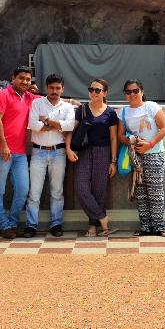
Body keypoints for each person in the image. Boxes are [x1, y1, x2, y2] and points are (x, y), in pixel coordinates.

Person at [0, 66, 40, 240]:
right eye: (21, 78)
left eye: (28, 79)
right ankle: (3, 225)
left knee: (23, 189)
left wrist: (74, 102)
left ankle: (12, 222)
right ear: (13, 78)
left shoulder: (29, 97)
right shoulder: (1, 95)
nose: (25, 82)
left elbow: (50, 100)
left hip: (20, 153)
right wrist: (3, 145)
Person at [24, 73, 76, 238]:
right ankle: (31, 226)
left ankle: (56, 224)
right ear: (46, 88)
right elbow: (33, 125)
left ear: (62, 88)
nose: (54, 91)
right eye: (51, 88)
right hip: (38, 151)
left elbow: (69, 126)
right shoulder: (37, 103)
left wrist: (46, 121)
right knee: (34, 192)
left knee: (57, 191)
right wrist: (57, 125)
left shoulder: (68, 107)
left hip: (58, 152)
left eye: (57, 88)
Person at [66, 78, 119, 237]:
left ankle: (93, 227)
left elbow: (114, 138)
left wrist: (113, 161)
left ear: (105, 93)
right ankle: (103, 218)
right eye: (91, 89)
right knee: (81, 188)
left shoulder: (110, 113)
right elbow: (70, 130)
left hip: (103, 152)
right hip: (83, 152)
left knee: (99, 191)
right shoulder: (81, 110)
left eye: (97, 90)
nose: (94, 93)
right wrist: (68, 148)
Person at [117, 79, 165, 236]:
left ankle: (159, 226)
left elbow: (164, 128)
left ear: (142, 91)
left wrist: (150, 144)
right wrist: (130, 140)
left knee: (155, 191)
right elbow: (120, 135)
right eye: (128, 92)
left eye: (135, 91)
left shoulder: (151, 107)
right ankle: (145, 227)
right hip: (136, 157)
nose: (132, 94)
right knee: (140, 192)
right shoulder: (123, 112)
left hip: (154, 154)